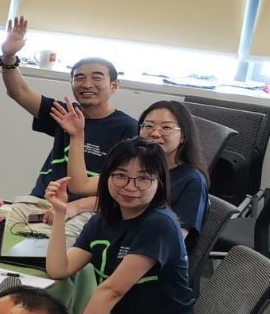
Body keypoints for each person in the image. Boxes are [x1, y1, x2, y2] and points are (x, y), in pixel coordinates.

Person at [44, 140, 198, 314]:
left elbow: (112, 291)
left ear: (159, 183)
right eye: (120, 176)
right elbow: (59, 268)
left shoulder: (159, 224)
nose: (130, 186)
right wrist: (61, 212)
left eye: (144, 178)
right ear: (106, 176)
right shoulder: (103, 219)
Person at [0, 17, 139, 198]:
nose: (87, 84)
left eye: (97, 78)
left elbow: (126, 182)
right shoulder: (66, 113)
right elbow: (19, 92)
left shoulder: (129, 129)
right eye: (79, 78)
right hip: (42, 199)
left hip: (86, 209)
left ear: (114, 85)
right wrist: (8, 56)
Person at [62, 99, 209, 242]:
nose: (155, 133)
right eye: (148, 126)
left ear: (183, 135)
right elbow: (80, 186)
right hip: (111, 236)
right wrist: (77, 136)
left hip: (144, 252)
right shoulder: (136, 165)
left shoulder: (192, 180)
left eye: (166, 128)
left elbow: (174, 239)